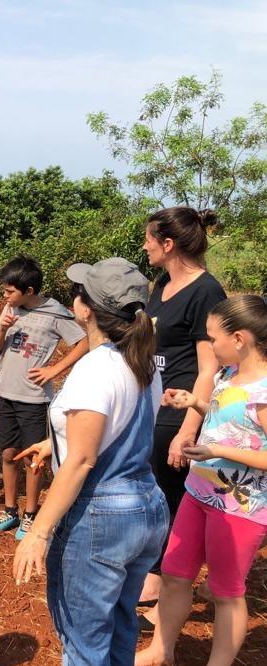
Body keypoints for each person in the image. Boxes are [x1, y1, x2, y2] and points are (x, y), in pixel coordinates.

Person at [12, 258, 169, 666]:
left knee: (84, 638)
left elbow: (82, 461)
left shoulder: (94, 368)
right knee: (121, 623)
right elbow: (106, 434)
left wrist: (37, 532)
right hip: (144, 506)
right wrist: (51, 441)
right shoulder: (140, 360)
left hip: (101, 515)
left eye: (78, 293)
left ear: (85, 311)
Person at [135, 295, 267, 666]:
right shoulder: (230, 374)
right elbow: (231, 418)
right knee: (175, 573)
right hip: (199, 492)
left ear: (240, 339)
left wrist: (217, 452)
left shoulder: (264, 389)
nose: (209, 346)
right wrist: (195, 403)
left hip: (239, 508)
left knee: (227, 591)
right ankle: (163, 646)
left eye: (214, 338)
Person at [140, 207, 227, 628]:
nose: (145, 246)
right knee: (159, 494)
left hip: (180, 412)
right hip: (155, 403)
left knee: (175, 500)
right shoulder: (162, 283)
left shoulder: (206, 292)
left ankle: (174, 588)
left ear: (168, 244)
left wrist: (188, 430)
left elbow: (209, 367)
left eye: (149, 239)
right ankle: (159, 575)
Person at [0, 256, 88, 539]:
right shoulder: (10, 310)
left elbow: (83, 342)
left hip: (34, 399)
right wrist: (3, 328)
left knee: (33, 458)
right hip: (7, 393)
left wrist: (54, 369)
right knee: (7, 453)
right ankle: (10, 510)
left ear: (29, 291)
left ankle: (31, 514)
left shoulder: (55, 313)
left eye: (9, 292)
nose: (4, 296)